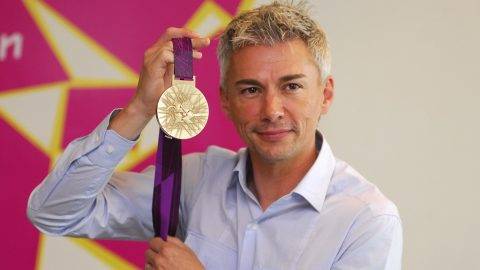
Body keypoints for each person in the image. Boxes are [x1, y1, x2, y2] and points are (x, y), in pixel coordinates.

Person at [27, 2, 402, 270]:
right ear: (225, 100)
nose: (272, 110)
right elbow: (55, 211)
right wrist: (139, 109)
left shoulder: (366, 220)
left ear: (326, 94)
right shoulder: (193, 180)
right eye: (250, 90)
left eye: (291, 86)